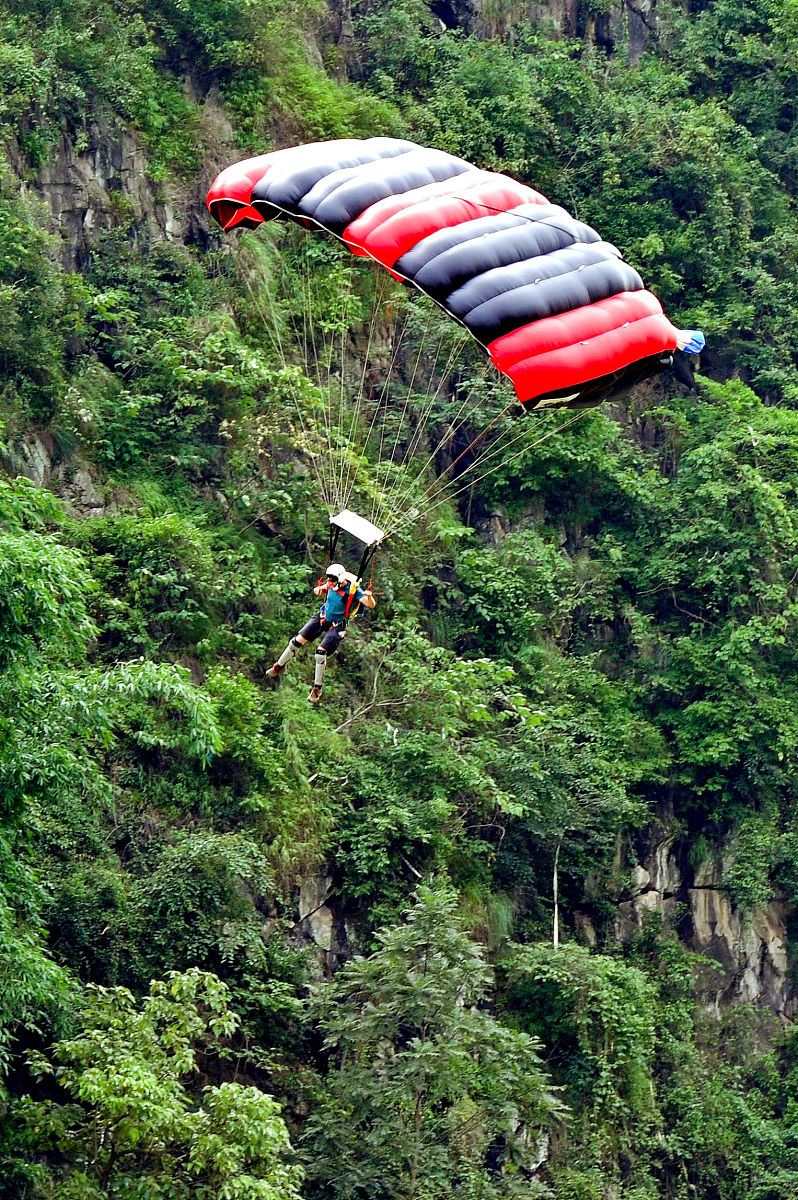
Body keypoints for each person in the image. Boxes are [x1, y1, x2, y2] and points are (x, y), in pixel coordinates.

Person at [266, 562, 376, 703]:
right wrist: (318, 589)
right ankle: (279, 666)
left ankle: (317, 689)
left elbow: (370, 604)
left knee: (320, 653)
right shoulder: (330, 584)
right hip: (323, 617)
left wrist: (369, 597)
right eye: (329, 579)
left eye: (332, 579)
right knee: (296, 642)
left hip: (338, 625)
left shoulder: (353, 590)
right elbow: (320, 589)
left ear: (340, 578)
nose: (330, 582)